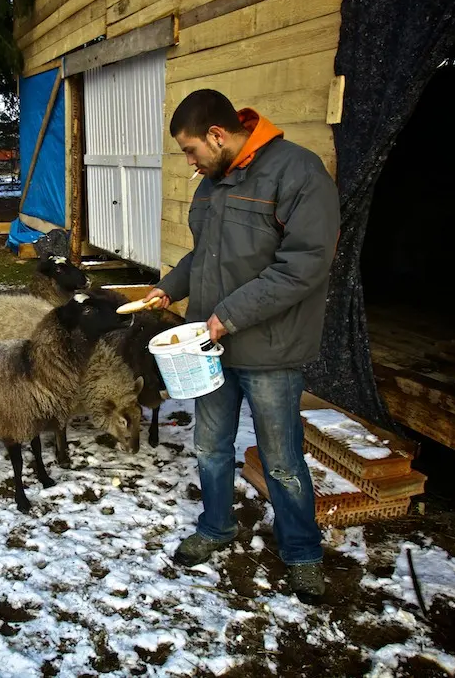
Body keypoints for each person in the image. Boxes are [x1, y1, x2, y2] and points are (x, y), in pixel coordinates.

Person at [146, 89, 340, 604]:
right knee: (210, 445)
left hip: (271, 349)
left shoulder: (298, 172)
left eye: (191, 150)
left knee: (280, 458)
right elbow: (203, 255)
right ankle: (216, 526)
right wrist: (171, 284)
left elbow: (305, 264)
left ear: (217, 135)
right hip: (208, 346)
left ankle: (301, 552)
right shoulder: (211, 183)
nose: (189, 162)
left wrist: (228, 316)